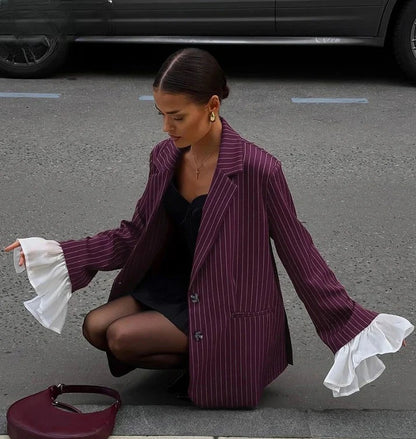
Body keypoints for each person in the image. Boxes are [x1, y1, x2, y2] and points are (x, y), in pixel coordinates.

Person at [5, 48, 413, 409]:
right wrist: (58, 253)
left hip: (225, 302)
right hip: (175, 284)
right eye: (161, 115)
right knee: (95, 327)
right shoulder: (165, 157)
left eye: (177, 116)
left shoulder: (257, 169)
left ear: (212, 105)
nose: (167, 127)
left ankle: (218, 362)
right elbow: (135, 233)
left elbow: (299, 253)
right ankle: (199, 357)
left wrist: (357, 325)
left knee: (123, 339)